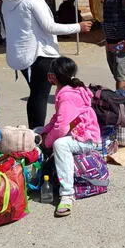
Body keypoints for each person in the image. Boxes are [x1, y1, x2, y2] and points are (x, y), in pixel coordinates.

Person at [1, 0, 92, 129]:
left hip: (21, 56)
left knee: (36, 94)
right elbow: (50, 27)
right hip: (39, 55)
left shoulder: (7, 0)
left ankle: (37, 132)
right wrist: (78, 27)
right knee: (40, 96)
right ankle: (38, 134)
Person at [40, 57, 100, 217]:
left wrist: (47, 142)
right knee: (36, 130)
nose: (49, 76)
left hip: (87, 139)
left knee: (59, 144)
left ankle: (67, 194)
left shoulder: (67, 95)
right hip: (77, 132)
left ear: (55, 76)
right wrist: (43, 131)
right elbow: (57, 118)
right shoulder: (65, 89)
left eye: (51, 73)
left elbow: (61, 127)